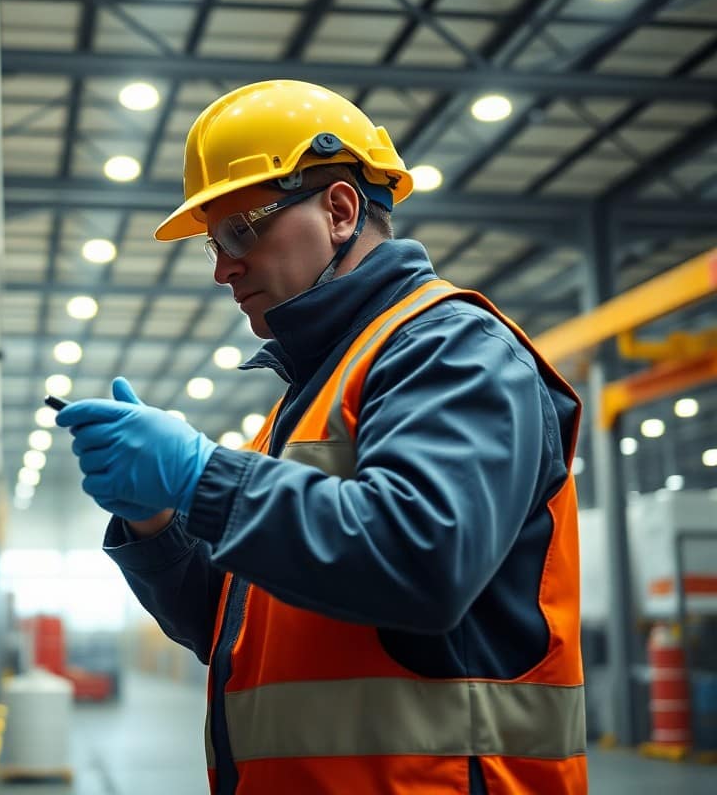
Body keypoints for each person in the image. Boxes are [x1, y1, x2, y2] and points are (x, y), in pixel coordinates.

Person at [55, 80, 587, 794]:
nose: (222, 268)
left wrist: (198, 475)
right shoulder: (306, 402)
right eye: (215, 244)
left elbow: (421, 558)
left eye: (241, 230)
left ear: (339, 210)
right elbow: (231, 625)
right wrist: (155, 518)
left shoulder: (450, 347)